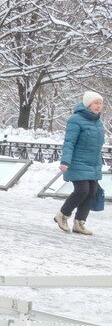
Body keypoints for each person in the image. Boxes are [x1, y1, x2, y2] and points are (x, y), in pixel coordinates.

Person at [54, 91, 104, 235]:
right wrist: (65, 161)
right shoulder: (76, 119)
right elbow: (69, 143)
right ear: (88, 104)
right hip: (77, 162)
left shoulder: (98, 122)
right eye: (96, 103)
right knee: (82, 190)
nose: (98, 106)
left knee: (92, 192)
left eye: (100, 103)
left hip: (93, 164)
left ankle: (79, 223)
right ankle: (62, 215)